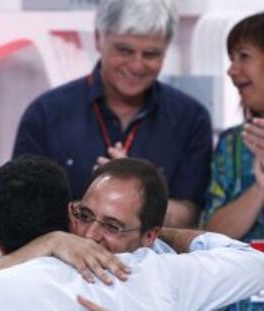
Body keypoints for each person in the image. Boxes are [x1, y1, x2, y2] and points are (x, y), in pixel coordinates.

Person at [0, 157, 264, 311]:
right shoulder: (153, 276)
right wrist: (169, 236)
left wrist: (48, 243)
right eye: (85, 216)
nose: (92, 234)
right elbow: (253, 263)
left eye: (112, 226)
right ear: (70, 211)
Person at [12, 0, 213, 228]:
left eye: (150, 54)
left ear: (166, 51)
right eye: (124, 50)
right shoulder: (46, 114)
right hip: (62, 261)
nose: (137, 66)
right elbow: (23, 211)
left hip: (158, 262)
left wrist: (139, 193)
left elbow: (190, 217)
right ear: (98, 38)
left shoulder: (191, 118)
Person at [202, 12, 264, 311]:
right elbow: (211, 232)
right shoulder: (232, 144)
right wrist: (260, 187)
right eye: (230, 57)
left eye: (243, 56)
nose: (231, 70)